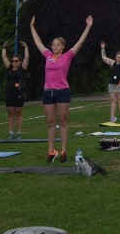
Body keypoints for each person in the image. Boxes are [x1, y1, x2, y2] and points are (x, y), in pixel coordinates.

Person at [30, 15, 92, 163]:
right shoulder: (47, 55)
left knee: (63, 121)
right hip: (48, 93)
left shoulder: (68, 56)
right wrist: (32, 27)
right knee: (50, 122)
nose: (54, 46)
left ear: (63, 46)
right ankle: (51, 151)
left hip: (63, 91)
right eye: (53, 44)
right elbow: (37, 42)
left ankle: (63, 150)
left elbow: (80, 42)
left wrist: (88, 26)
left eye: (57, 45)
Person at [1, 41, 30, 139]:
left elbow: (26, 58)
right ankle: (10, 132)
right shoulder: (9, 68)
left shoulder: (22, 68)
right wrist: (4, 47)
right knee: (10, 113)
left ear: (20, 61)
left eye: (16, 61)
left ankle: (19, 132)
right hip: (9, 94)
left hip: (19, 94)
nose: (14, 62)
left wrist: (26, 47)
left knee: (18, 112)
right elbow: (4, 58)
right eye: (13, 61)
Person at [100, 41, 120, 123]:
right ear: (115, 57)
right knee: (113, 100)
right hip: (112, 84)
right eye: (118, 57)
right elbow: (104, 57)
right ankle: (112, 117)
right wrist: (103, 48)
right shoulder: (112, 62)